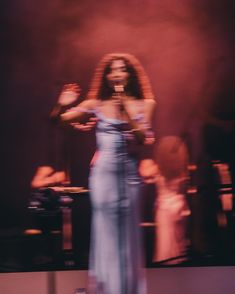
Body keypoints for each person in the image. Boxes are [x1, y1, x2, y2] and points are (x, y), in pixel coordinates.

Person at [51, 53, 156, 294]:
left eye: (122, 70)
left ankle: (128, 289)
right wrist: (62, 103)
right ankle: (107, 289)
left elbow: (141, 138)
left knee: (129, 233)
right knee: (106, 231)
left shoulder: (146, 103)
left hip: (129, 174)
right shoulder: (95, 103)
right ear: (106, 76)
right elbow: (58, 121)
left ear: (130, 75)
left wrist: (126, 112)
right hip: (103, 175)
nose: (117, 74)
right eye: (112, 70)